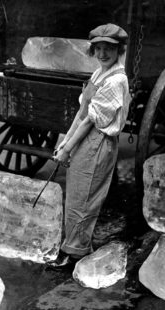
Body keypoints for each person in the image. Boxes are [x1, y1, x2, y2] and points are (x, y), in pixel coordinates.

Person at [47, 23, 130, 268]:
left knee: (85, 199)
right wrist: (64, 143)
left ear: (119, 50)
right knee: (75, 196)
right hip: (85, 139)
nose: (103, 54)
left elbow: (90, 122)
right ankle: (74, 247)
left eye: (109, 49)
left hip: (99, 142)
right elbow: (81, 114)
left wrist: (68, 147)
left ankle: (76, 253)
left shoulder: (116, 80)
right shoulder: (98, 74)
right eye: (99, 48)